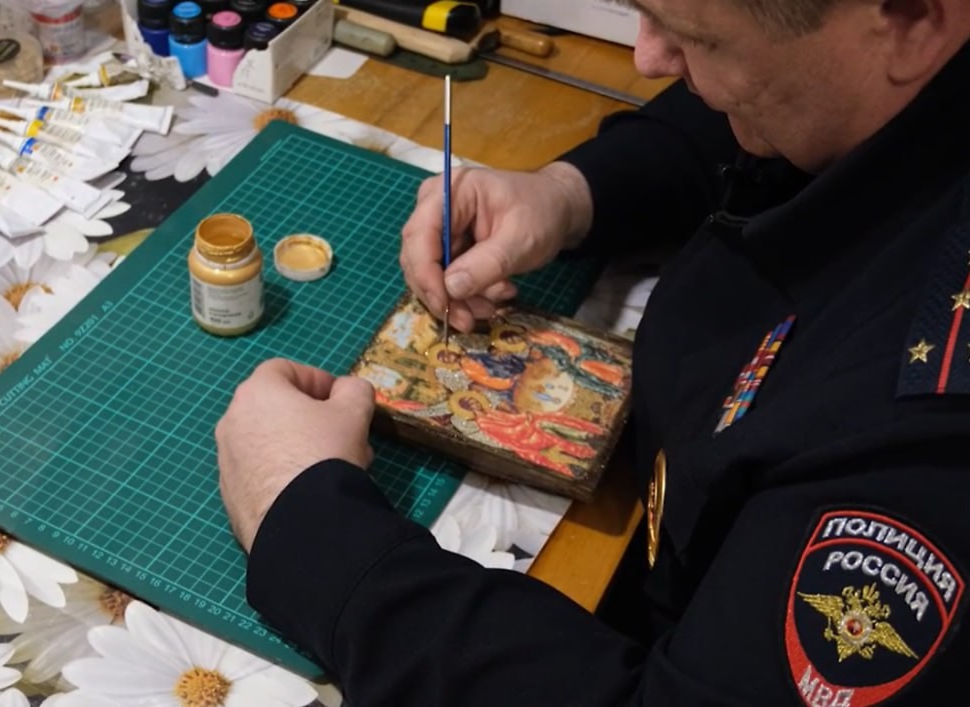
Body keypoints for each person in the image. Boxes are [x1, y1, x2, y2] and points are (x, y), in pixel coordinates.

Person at [215, 0, 970, 703]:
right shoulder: (888, 74)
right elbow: (783, 101)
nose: (648, 57)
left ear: (912, 22)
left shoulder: (928, 438)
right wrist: (575, 193)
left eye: (695, 38)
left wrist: (315, 536)